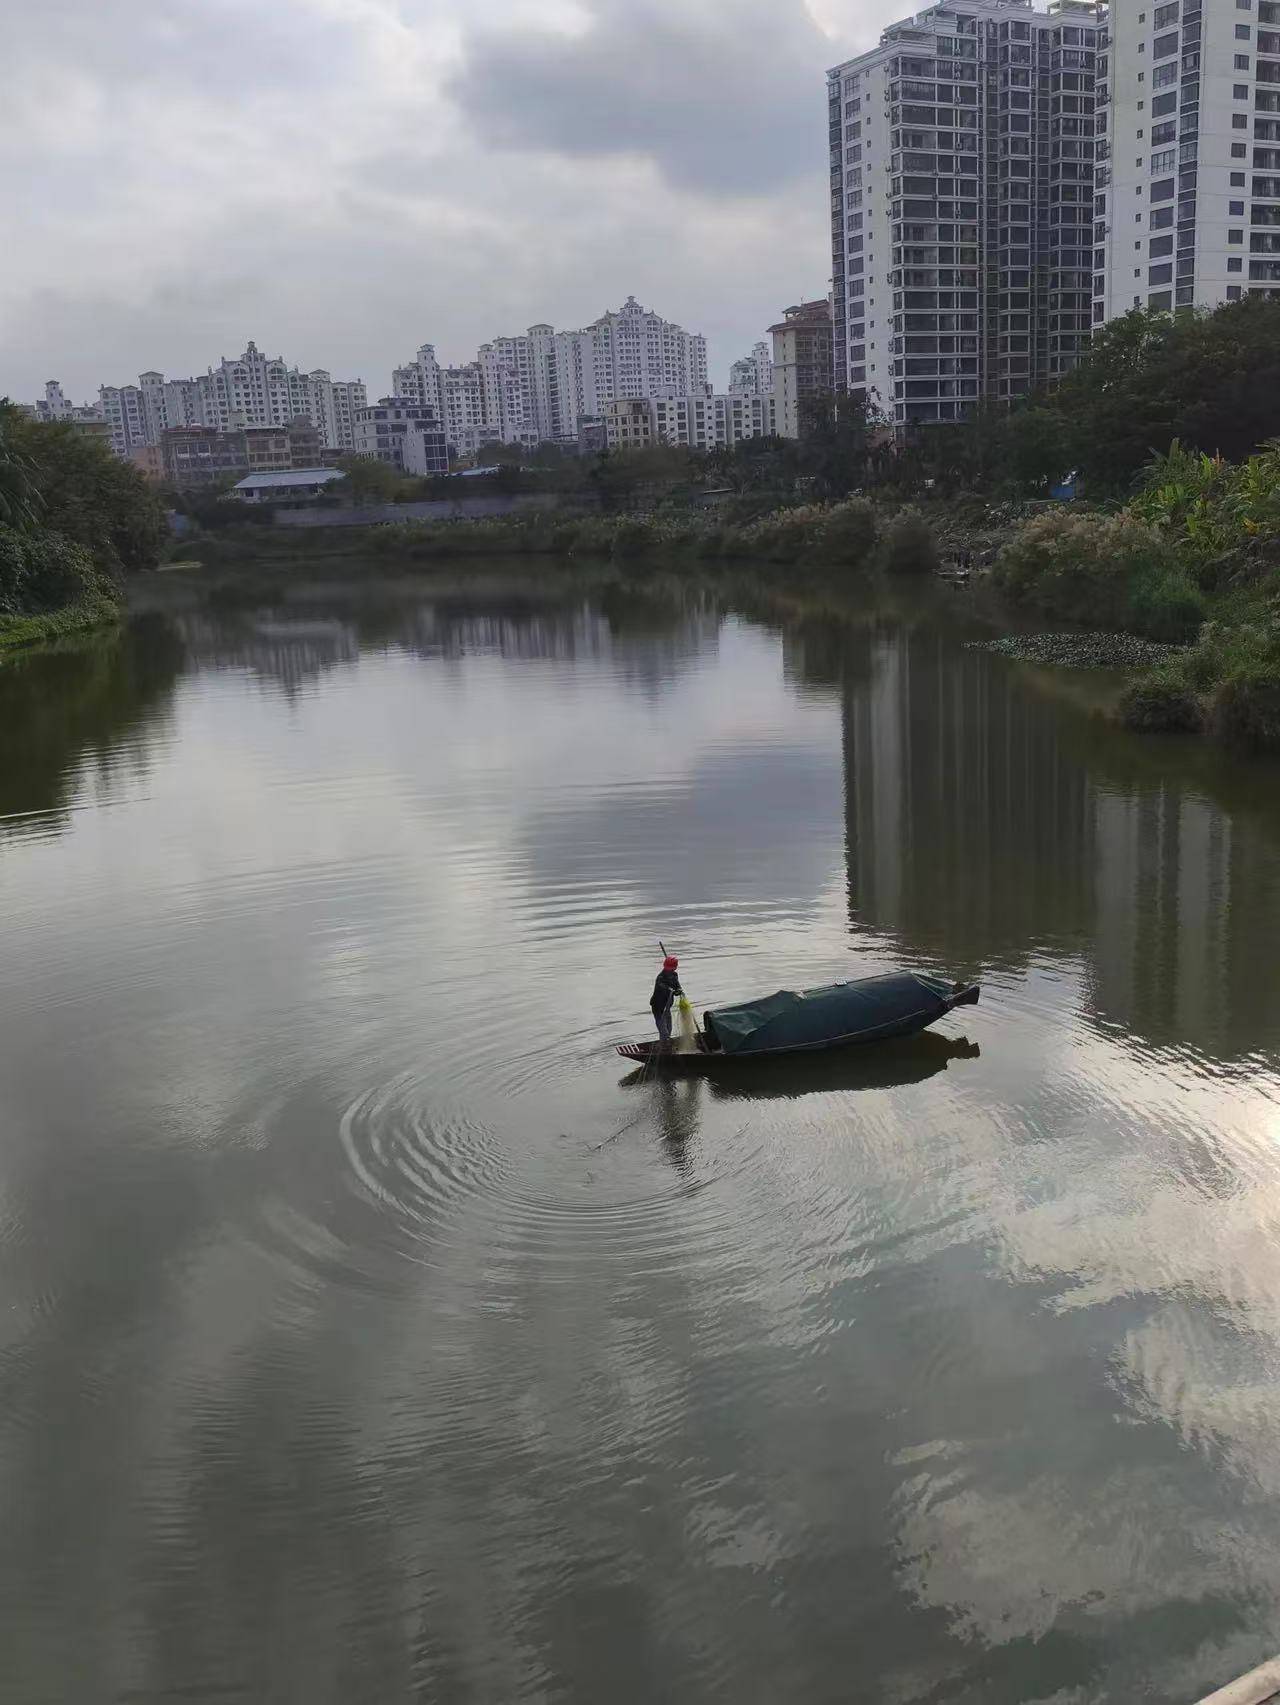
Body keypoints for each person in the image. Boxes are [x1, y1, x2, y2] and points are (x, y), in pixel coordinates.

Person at [650, 955, 683, 1047]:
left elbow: (677, 986)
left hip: (667, 1007)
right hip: (658, 1007)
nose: (670, 971)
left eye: (672, 969)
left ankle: (664, 1045)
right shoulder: (660, 977)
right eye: (669, 969)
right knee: (664, 1032)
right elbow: (662, 986)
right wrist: (670, 989)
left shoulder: (674, 975)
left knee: (669, 1029)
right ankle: (663, 1046)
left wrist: (678, 990)